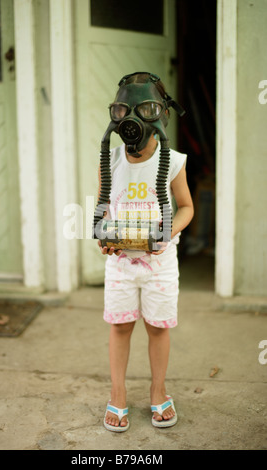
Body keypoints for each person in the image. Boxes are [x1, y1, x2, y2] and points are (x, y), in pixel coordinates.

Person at [96, 72, 194, 431]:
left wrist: (166, 231)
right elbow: (104, 206)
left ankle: (158, 390)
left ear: (159, 114)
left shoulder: (175, 160)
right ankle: (117, 394)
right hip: (121, 264)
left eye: (144, 109)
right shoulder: (111, 160)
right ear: (117, 115)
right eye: (124, 109)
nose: (132, 119)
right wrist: (103, 233)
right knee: (120, 327)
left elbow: (186, 207)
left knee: (157, 328)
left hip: (160, 262)